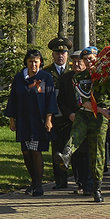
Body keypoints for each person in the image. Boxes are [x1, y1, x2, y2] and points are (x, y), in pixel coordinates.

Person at [55, 47, 110, 202]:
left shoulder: (106, 75)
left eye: (91, 59)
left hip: (100, 119)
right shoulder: (78, 78)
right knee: (76, 133)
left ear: (97, 59)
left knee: (97, 153)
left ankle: (97, 188)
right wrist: (100, 109)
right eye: (86, 60)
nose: (89, 62)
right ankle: (66, 155)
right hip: (85, 114)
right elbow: (81, 101)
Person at [5, 49, 56, 196]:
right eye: (30, 61)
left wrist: (49, 119)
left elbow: (50, 98)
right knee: (26, 152)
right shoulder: (20, 77)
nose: (33, 64)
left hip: (39, 121)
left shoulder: (46, 77)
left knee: (36, 151)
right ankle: (33, 182)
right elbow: (13, 98)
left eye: (36, 61)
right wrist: (12, 119)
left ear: (40, 62)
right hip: (23, 120)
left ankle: (39, 185)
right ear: (26, 62)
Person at [44, 37, 73, 189]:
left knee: (74, 148)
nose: (60, 55)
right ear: (53, 55)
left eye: (63, 53)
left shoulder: (74, 70)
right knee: (57, 148)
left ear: (67, 54)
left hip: (72, 117)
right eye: (57, 52)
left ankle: (78, 180)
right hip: (55, 117)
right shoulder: (46, 72)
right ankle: (60, 181)